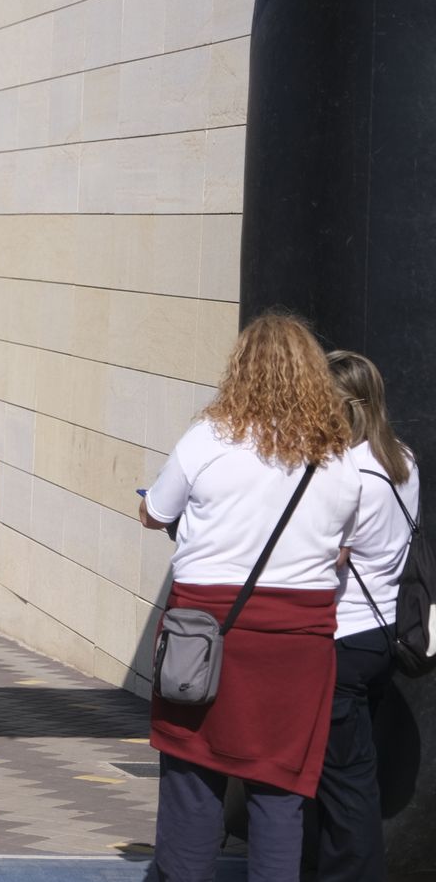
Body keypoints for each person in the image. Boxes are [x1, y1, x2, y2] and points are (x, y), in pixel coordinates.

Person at [138, 313, 359, 882]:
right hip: (298, 644)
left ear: (239, 370)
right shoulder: (337, 457)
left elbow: (155, 512)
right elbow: (342, 547)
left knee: (192, 777)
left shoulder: (207, 439)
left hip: (206, 632)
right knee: (281, 789)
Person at [314, 350, 419, 882]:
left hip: (343, 638)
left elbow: (329, 555)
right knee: (353, 773)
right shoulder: (402, 459)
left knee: (345, 781)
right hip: (382, 635)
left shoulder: (346, 472)